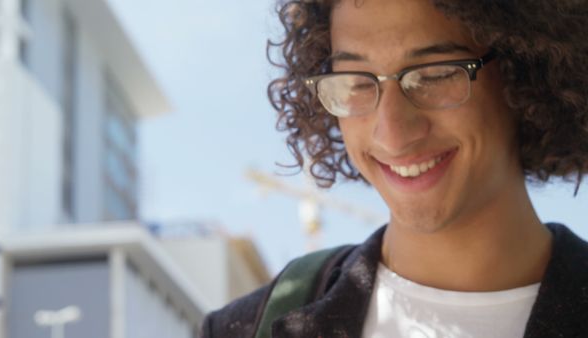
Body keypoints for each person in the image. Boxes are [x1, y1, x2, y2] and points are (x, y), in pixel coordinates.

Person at [200, 0, 588, 337]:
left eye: (434, 75)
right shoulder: (243, 329)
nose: (392, 134)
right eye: (355, 82)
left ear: (526, 73)